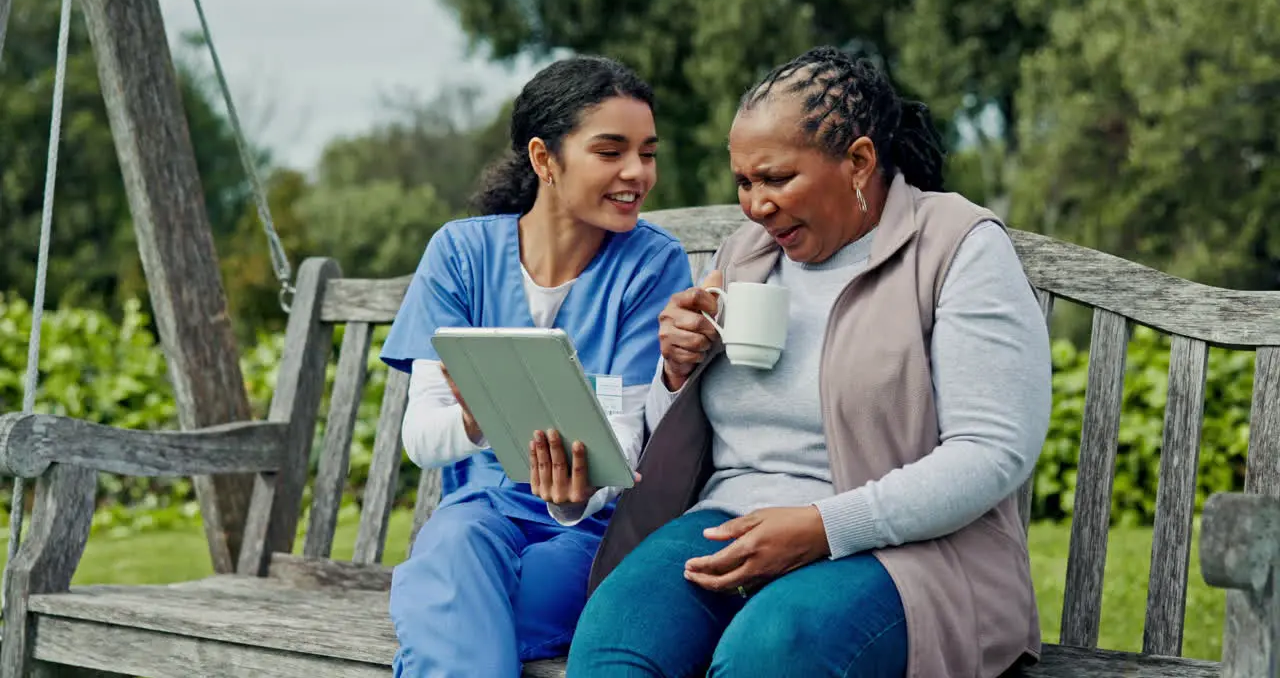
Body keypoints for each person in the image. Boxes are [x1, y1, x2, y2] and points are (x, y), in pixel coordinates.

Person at [566, 46, 1053, 678]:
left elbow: (992, 451)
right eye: (744, 182)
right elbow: (675, 437)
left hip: (907, 550)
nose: (756, 206)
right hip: (731, 521)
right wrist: (676, 374)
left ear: (858, 160)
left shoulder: (955, 247)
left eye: (776, 179)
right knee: (615, 641)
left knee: (770, 652)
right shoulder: (745, 255)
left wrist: (823, 527)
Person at [379, 55, 693, 678]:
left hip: (597, 531)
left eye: (647, 153)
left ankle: (439, 615)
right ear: (544, 159)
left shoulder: (652, 266)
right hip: (480, 518)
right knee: (455, 543)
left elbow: (623, 439)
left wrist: (574, 500)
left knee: (453, 599)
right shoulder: (460, 255)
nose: (637, 172)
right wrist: (473, 424)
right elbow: (422, 438)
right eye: (611, 151)